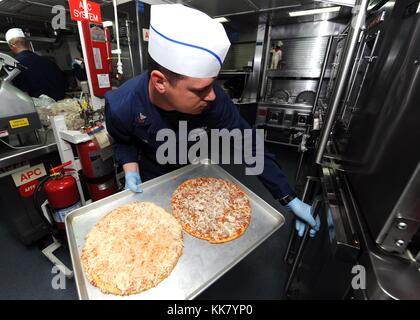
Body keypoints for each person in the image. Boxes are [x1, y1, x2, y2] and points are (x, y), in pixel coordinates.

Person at [105, 4, 320, 237]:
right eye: (201, 89)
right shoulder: (122, 106)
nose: (212, 95)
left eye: (213, 83)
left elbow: (248, 144)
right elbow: (123, 140)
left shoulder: (213, 101)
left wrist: (288, 197)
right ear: (160, 82)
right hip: (153, 176)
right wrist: (130, 170)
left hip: (192, 170)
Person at [5, 28, 67, 101]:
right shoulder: (49, 62)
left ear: (12, 46)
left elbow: (19, 96)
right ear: (27, 43)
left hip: (37, 110)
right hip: (61, 108)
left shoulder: (13, 67)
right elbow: (65, 85)